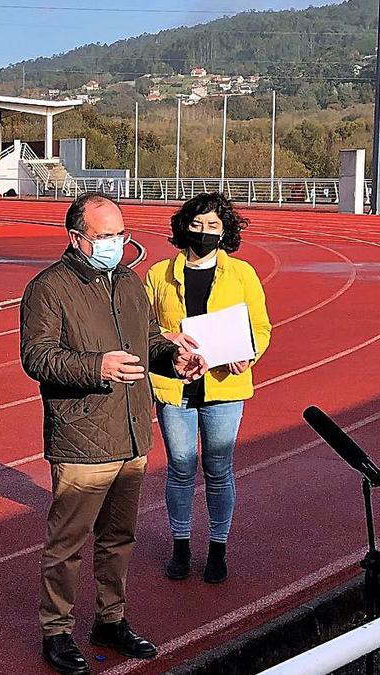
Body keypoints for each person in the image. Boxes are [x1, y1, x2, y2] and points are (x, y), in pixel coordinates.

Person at [20, 192, 207, 675]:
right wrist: (95, 368)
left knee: (119, 535)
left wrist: (173, 356)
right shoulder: (49, 288)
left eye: (121, 234)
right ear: (77, 238)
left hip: (130, 431)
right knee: (68, 540)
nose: (117, 244)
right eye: (106, 236)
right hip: (82, 434)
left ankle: (111, 619)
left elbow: (145, 342)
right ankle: (56, 630)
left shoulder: (128, 282)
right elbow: (37, 358)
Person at [144, 193, 272, 584]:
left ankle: (218, 548)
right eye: (197, 224)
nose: (203, 232)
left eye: (213, 226)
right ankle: (180, 546)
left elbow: (261, 328)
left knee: (218, 470)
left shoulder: (243, 275)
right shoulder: (158, 275)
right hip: (174, 386)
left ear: (225, 232)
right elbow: (144, 329)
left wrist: (248, 355)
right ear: (183, 226)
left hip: (225, 387)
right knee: (180, 468)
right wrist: (168, 338)